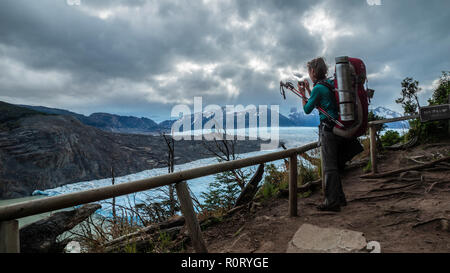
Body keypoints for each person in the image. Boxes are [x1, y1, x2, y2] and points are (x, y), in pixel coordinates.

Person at [298, 57, 347, 212]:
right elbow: (321, 101)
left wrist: (302, 94)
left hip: (328, 130)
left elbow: (307, 109)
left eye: (309, 71)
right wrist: (308, 90)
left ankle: (332, 202)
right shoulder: (329, 84)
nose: (309, 74)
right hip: (337, 129)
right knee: (335, 165)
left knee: (329, 166)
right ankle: (339, 198)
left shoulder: (319, 88)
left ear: (313, 71)